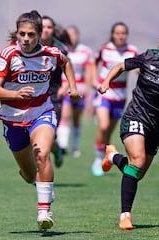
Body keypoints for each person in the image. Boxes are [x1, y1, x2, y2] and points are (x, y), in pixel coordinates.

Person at [0, 10, 80, 231]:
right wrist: (15, 94)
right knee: (30, 175)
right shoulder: (8, 55)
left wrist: (73, 88)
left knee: (42, 154)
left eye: (31, 34)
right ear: (17, 34)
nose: (26, 39)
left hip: (42, 112)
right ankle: (42, 185)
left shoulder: (51, 53)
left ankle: (44, 212)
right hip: (13, 119)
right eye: (22, 34)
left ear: (40, 34)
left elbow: (66, 62)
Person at [99, 25, 159, 230]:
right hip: (135, 116)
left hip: (158, 127)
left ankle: (112, 156)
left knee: (137, 172)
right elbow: (120, 67)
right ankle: (125, 216)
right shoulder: (149, 57)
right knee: (138, 161)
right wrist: (107, 80)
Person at [91, 22, 138, 176]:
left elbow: (139, 67)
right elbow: (93, 63)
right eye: (117, 33)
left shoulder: (132, 51)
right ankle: (98, 159)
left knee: (109, 131)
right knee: (103, 126)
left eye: (123, 33)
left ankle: (106, 155)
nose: (120, 36)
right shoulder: (105, 49)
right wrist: (93, 80)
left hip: (120, 97)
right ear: (113, 34)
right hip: (104, 93)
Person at [57, 25, 94, 158]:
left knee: (76, 120)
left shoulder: (86, 51)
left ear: (78, 35)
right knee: (65, 115)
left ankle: (75, 147)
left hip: (80, 90)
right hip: (66, 88)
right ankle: (63, 145)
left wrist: (87, 89)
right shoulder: (62, 49)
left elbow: (89, 72)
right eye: (69, 34)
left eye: (74, 34)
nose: (72, 36)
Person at [40, 16, 72, 167]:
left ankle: (55, 150)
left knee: (48, 137)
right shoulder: (30, 47)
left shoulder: (60, 48)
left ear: (53, 30)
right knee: (35, 138)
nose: (45, 30)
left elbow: (68, 69)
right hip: (33, 96)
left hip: (53, 97)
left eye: (49, 27)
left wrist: (65, 87)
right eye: (43, 27)